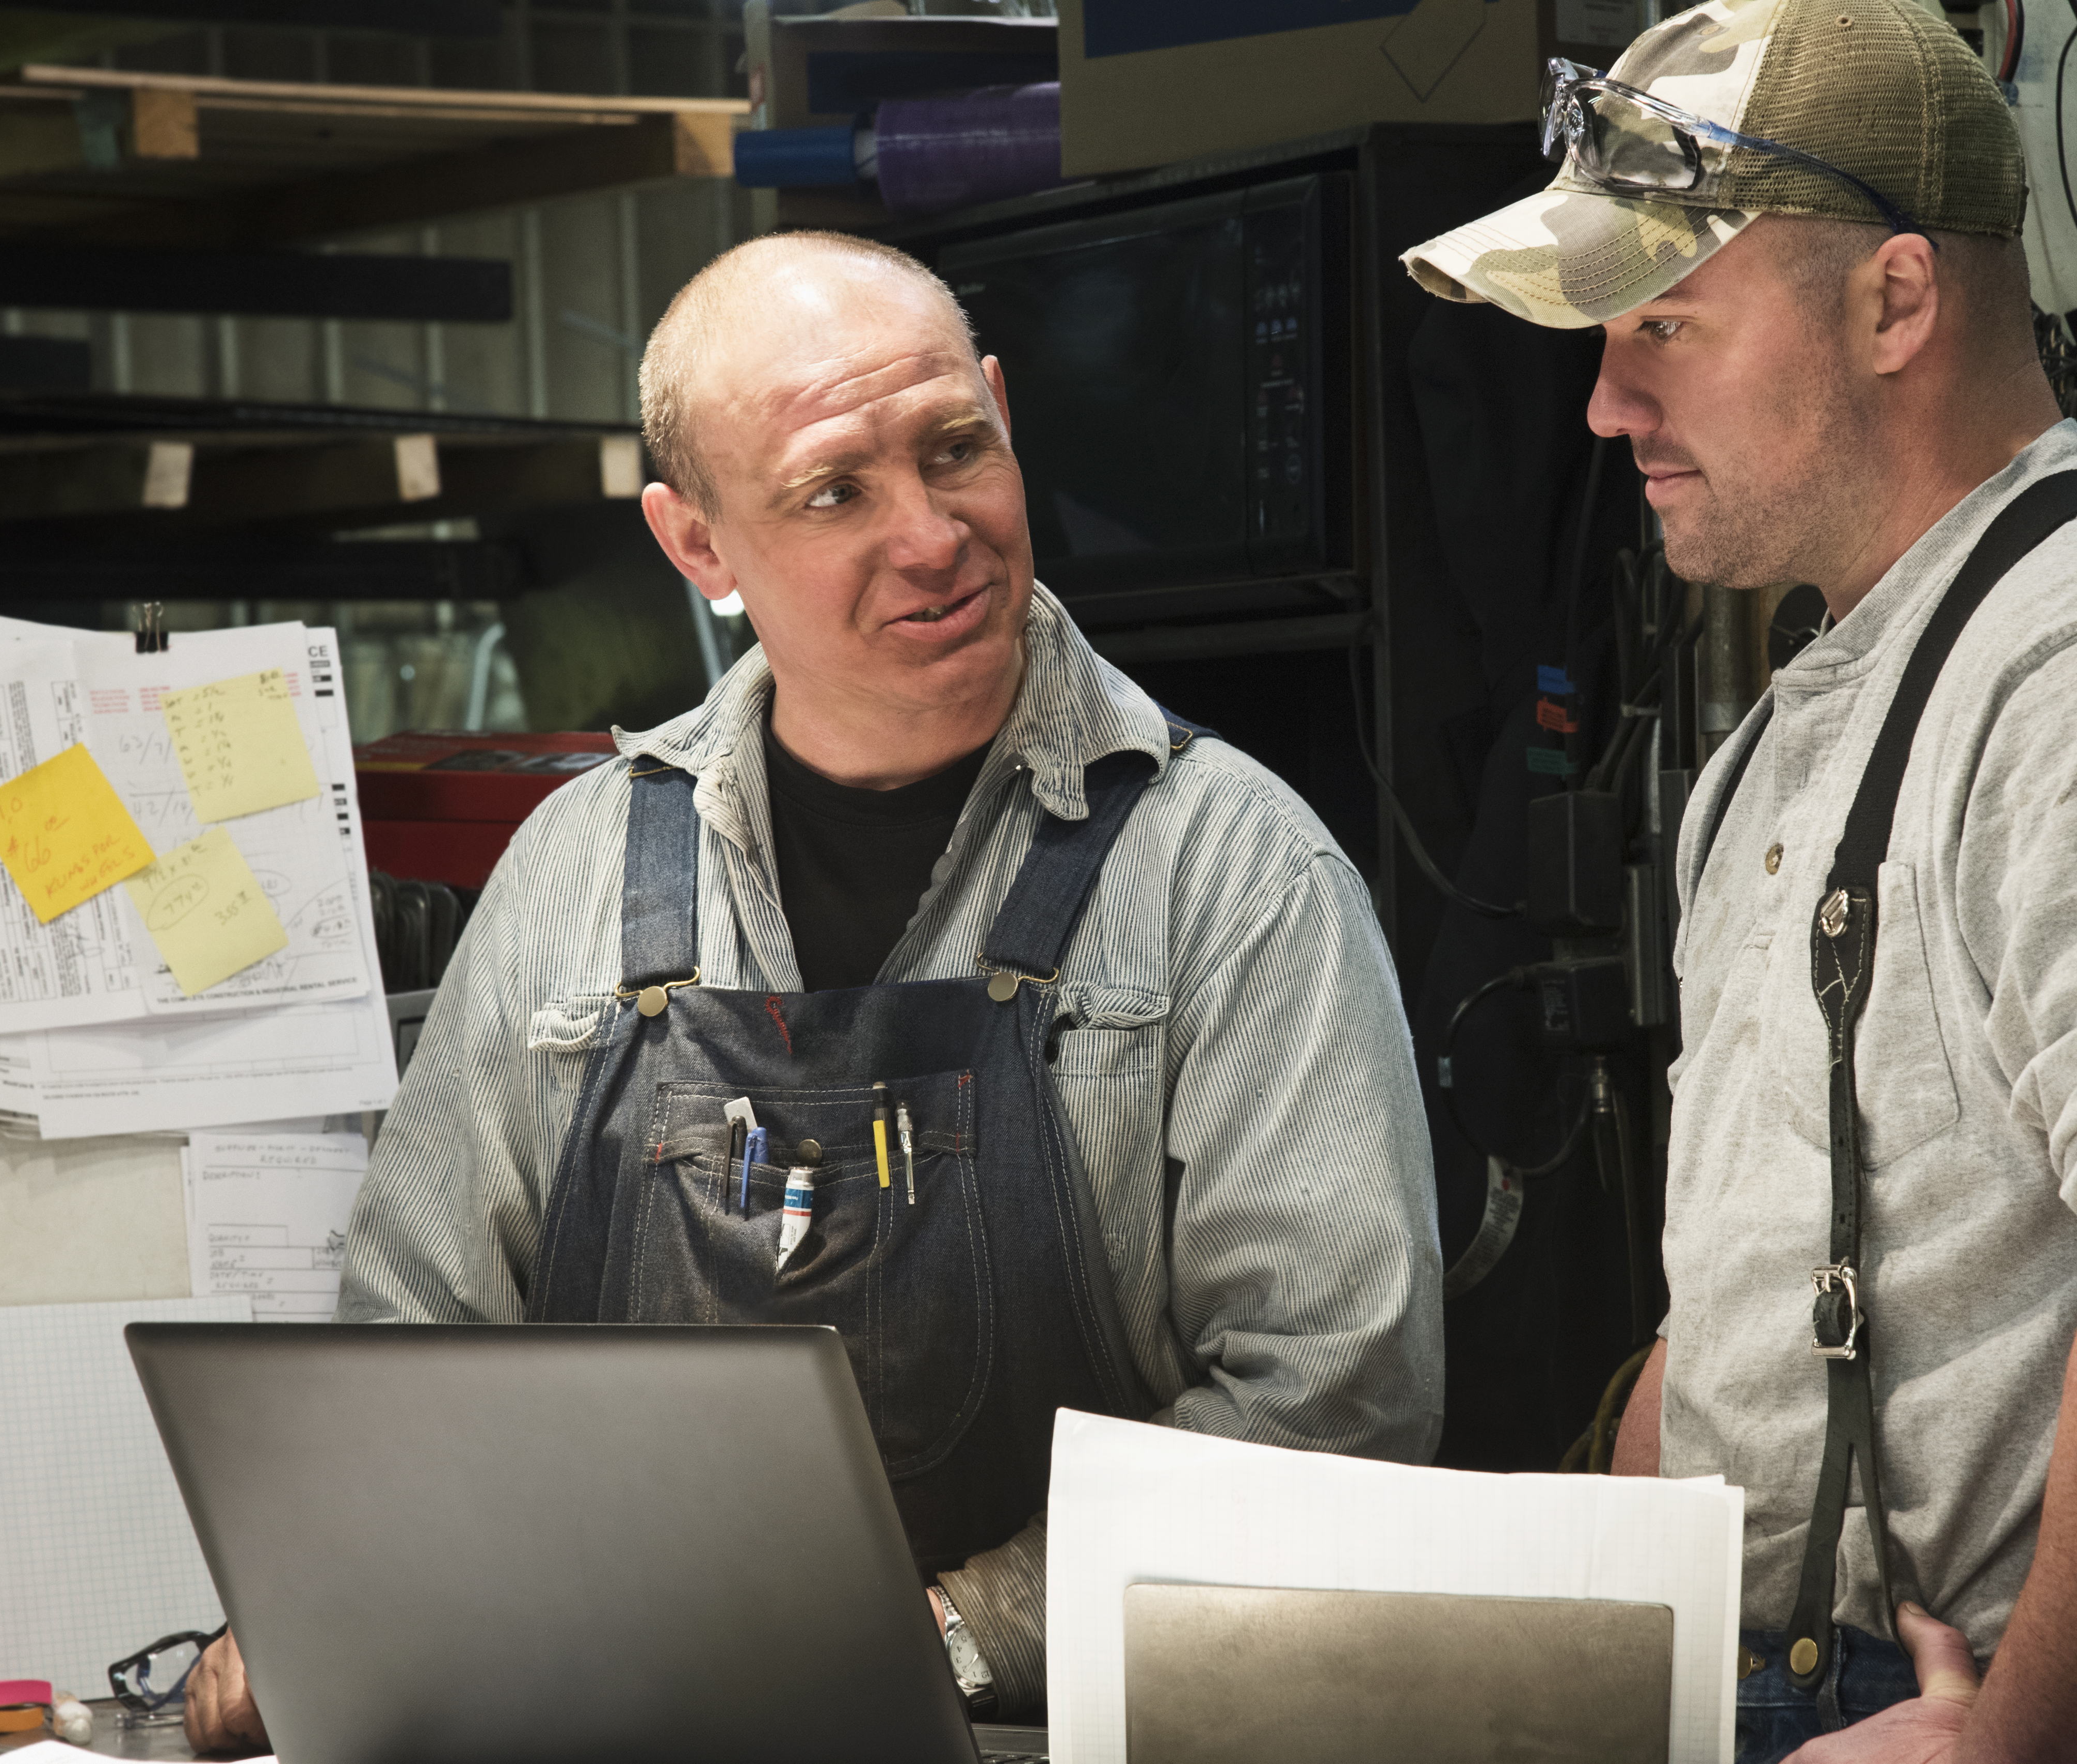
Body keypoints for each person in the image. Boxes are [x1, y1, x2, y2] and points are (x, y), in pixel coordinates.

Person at [182, 231, 1442, 1749]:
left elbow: (1335, 1409)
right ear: (697, 543)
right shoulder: (577, 874)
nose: (932, 533)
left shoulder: (1232, 875)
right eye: (837, 489)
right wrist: (335, 1591)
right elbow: (412, 1336)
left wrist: (954, 1636)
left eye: (956, 448)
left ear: (1002, 412)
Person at [1406, 2, 2077, 1760]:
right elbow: (1745, 1326)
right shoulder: (1796, 732)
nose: (1600, 401)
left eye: (1663, 327)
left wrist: (2015, 1744)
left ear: (1895, 303)